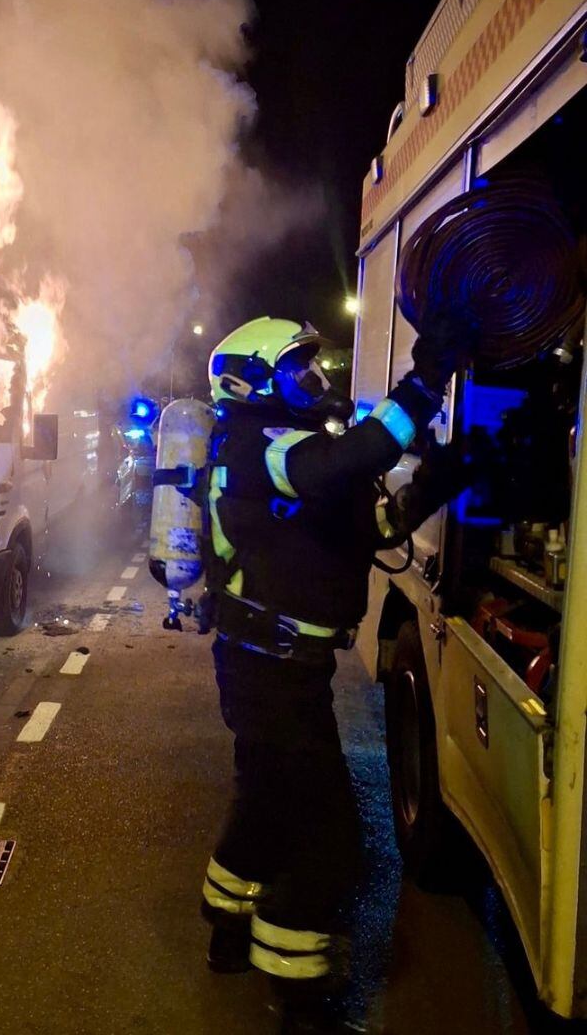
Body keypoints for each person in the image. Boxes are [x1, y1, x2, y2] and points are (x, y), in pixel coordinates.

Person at [199, 312, 476, 1030]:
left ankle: (227, 925)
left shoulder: (294, 449)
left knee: (263, 799)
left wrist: (435, 487)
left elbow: (370, 530)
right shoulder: (255, 442)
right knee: (328, 839)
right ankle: (297, 992)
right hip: (270, 669)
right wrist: (421, 388)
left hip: (282, 668)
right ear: (250, 382)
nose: (313, 381)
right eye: (297, 370)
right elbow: (340, 465)